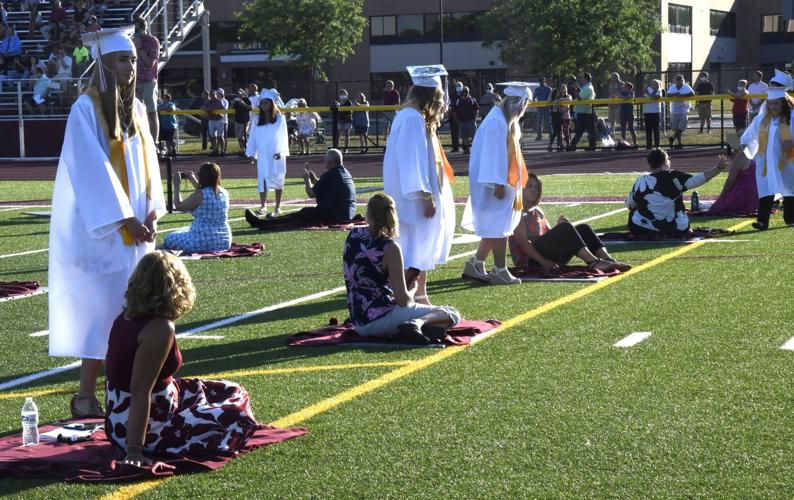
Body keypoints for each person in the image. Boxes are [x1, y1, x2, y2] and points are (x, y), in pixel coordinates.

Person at [49, 27, 165, 418]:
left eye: (132, 59)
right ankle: (85, 396)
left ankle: (130, 394)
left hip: (139, 229)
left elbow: (149, 164)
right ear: (104, 64)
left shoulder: (137, 108)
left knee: (139, 308)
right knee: (103, 311)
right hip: (105, 230)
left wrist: (151, 212)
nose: (130, 66)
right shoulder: (85, 108)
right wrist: (125, 217)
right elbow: (91, 169)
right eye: (122, 59)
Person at [105, 251, 257, 465]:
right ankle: (143, 442)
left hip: (123, 417)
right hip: (148, 426)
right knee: (236, 415)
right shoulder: (159, 328)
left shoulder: (125, 317)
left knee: (230, 389)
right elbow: (140, 392)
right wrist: (134, 450)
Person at [343, 194, 460, 343]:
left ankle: (409, 330)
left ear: (369, 213)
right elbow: (403, 301)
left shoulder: (353, 235)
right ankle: (417, 324)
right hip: (379, 319)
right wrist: (413, 289)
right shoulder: (390, 248)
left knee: (435, 319)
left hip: (357, 320)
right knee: (451, 313)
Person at [383, 64, 456, 305]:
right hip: (412, 198)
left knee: (419, 247)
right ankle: (407, 298)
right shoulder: (412, 119)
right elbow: (411, 161)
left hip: (411, 196)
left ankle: (420, 294)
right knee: (413, 248)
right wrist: (424, 196)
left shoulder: (411, 116)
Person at [461, 82, 532, 285]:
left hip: (502, 180)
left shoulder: (504, 119)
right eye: (525, 104)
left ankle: (475, 263)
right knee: (499, 224)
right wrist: (497, 184)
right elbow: (493, 154)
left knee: (496, 223)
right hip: (495, 182)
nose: (525, 110)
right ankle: (499, 269)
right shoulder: (497, 121)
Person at [509, 173, 630, 273]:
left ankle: (608, 259)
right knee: (565, 228)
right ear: (521, 189)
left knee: (583, 228)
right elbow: (524, 244)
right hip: (531, 261)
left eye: (536, 187)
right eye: (529, 186)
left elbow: (548, 236)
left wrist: (558, 226)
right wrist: (543, 261)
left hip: (545, 255)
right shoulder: (517, 212)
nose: (534, 190)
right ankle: (593, 262)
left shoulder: (537, 210)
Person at [736, 69, 794, 230]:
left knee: (789, 189)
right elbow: (750, 134)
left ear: (783, 103)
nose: (773, 106)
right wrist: (744, 144)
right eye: (771, 104)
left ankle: (790, 218)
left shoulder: (792, 118)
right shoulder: (762, 119)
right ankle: (762, 222)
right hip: (766, 161)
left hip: (788, 159)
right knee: (765, 190)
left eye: (776, 104)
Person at [626, 149, 728, 236]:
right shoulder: (674, 176)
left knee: (633, 213)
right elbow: (697, 180)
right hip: (677, 227)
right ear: (664, 161)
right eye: (668, 159)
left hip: (645, 228)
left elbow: (630, 205)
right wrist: (718, 169)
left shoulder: (641, 181)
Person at [245, 149, 356, 229]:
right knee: (304, 211)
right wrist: (314, 179)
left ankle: (260, 223)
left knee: (297, 217)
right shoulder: (344, 172)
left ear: (330, 162)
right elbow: (326, 186)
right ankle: (269, 220)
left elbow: (311, 194)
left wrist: (306, 179)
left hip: (335, 215)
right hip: (346, 213)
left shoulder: (330, 175)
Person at [162, 162, 232, 253]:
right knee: (185, 229)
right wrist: (193, 180)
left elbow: (179, 206)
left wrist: (176, 185)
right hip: (224, 241)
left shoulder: (200, 194)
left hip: (201, 242)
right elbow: (207, 192)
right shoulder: (224, 192)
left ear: (202, 177)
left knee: (169, 238)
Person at [246, 88, 289, 217]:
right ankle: (263, 205)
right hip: (263, 154)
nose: (264, 105)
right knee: (262, 179)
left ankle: (277, 207)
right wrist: (252, 154)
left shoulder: (280, 119)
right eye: (262, 103)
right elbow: (253, 138)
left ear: (272, 103)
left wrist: (280, 151)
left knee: (278, 179)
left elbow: (283, 136)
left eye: (266, 103)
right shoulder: (257, 120)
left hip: (276, 154)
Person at [133, 17, 159, 141]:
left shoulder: (153, 41)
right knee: (136, 114)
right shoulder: (131, 41)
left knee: (151, 113)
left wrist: (140, 48)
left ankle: (154, 142)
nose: (135, 32)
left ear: (144, 28)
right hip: (134, 81)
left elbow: (149, 63)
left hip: (148, 81)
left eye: (137, 29)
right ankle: (139, 141)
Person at [568, 72, 596, 151]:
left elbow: (579, 97)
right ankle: (574, 146)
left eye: (582, 78)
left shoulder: (588, 88)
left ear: (586, 79)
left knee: (586, 131)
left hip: (585, 114)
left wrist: (575, 89)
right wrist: (577, 87)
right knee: (582, 131)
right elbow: (581, 93)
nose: (581, 79)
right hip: (584, 113)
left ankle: (590, 146)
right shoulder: (586, 87)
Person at [666, 74, 694, 149]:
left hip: (684, 110)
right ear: (675, 81)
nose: (679, 81)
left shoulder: (686, 86)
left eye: (680, 80)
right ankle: (679, 143)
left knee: (681, 128)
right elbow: (667, 95)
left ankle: (672, 138)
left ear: (683, 80)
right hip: (674, 110)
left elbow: (692, 93)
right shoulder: (672, 87)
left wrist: (682, 95)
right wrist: (674, 94)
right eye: (677, 80)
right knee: (676, 128)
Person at [452, 86, 479, 154]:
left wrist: (475, 118)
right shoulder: (458, 101)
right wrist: (456, 119)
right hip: (462, 122)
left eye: (466, 91)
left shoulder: (472, 100)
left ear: (468, 91)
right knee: (464, 136)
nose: (465, 92)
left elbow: (476, 109)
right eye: (463, 90)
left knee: (474, 135)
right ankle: (466, 149)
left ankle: (475, 149)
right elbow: (454, 111)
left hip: (471, 121)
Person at [548, 83, 572, 152]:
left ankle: (568, 145)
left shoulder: (567, 96)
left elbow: (569, 99)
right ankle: (559, 145)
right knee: (558, 132)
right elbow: (549, 101)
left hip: (565, 116)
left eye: (564, 88)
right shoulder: (557, 97)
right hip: (558, 117)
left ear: (566, 89)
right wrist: (551, 93)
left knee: (565, 131)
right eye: (561, 88)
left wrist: (560, 100)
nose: (562, 90)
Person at [202, 90, 226, 156]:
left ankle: (222, 151)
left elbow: (222, 108)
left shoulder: (219, 101)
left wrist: (211, 109)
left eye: (213, 95)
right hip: (211, 120)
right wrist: (208, 109)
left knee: (220, 136)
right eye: (211, 95)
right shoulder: (208, 102)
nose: (212, 96)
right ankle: (214, 151)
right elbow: (203, 108)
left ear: (215, 95)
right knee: (212, 137)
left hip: (219, 120)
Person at [643, 79, 663, 149]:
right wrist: (645, 90)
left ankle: (657, 145)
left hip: (655, 112)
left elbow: (654, 98)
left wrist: (647, 93)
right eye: (652, 84)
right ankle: (649, 145)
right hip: (647, 112)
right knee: (648, 130)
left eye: (656, 84)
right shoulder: (647, 89)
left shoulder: (659, 91)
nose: (654, 85)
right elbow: (642, 96)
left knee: (656, 130)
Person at [232, 88, 252, 155]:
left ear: (243, 93)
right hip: (237, 120)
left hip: (244, 120)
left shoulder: (246, 99)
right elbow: (231, 108)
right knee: (238, 137)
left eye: (240, 93)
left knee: (242, 136)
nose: (238, 95)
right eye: (237, 93)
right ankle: (242, 150)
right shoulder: (236, 100)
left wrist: (243, 103)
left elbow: (250, 108)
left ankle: (246, 149)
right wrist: (232, 103)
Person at [619, 81, 637, 146]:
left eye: (625, 86)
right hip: (622, 112)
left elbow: (627, 98)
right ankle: (623, 143)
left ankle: (635, 142)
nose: (623, 87)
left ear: (628, 87)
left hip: (629, 112)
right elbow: (616, 97)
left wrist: (620, 96)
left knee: (631, 127)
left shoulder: (631, 92)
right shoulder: (622, 92)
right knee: (623, 128)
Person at [448, 80, 464, 152]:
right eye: (457, 86)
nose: (458, 87)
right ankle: (455, 148)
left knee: (464, 133)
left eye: (460, 86)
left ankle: (465, 147)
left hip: (462, 117)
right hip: (453, 117)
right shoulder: (452, 95)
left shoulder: (465, 94)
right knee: (454, 133)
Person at [534, 77, 552, 141]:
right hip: (540, 108)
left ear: (544, 81)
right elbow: (534, 98)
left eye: (542, 81)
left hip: (547, 108)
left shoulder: (548, 88)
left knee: (548, 122)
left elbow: (551, 97)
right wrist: (536, 105)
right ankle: (539, 136)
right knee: (539, 123)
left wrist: (549, 104)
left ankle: (551, 135)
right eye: (540, 81)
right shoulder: (537, 89)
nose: (541, 82)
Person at [336, 88, 353, 153]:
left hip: (347, 120)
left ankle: (346, 148)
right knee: (338, 134)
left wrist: (346, 118)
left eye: (344, 94)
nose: (342, 95)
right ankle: (336, 147)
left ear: (346, 95)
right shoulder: (337, 102)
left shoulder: (348, 102)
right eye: (341, 94)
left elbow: (350, 112)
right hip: (340, 120)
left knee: (346, 135)